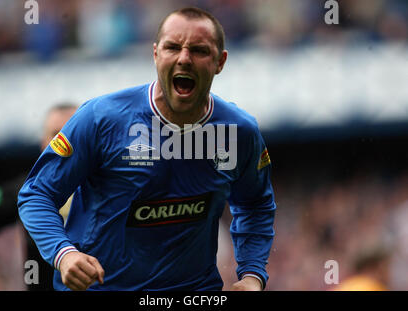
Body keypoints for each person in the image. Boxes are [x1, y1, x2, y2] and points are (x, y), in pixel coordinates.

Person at [18, 7, 276, 291]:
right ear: (156, 54)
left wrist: (252, 276)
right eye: (172, 47)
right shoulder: (101, 118)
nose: (184, 58)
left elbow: (256, 204)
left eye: (199, 50)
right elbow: (36, 194)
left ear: (220, 61)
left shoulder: (239, 132)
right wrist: (64, 254)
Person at [0, 104, 78, 291]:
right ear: (43, 143)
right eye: (55, 134)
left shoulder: (114, 186)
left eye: (71, 132)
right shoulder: (27, 189)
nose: (63, 142)